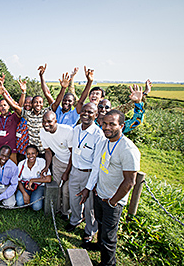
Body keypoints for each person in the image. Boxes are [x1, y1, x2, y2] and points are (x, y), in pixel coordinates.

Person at [79, 110, 140, 266]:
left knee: (109, 236)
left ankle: (108, 263)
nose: (107, 127)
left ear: (121, 125)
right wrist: (94, 188)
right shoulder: (106, 142)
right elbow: (100, 167)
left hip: (113, 200)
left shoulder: (128, 150)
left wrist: (112, 202)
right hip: (100, 194)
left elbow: (129, 182)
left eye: (112, 124)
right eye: (104, 123)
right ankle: (99, 246)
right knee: (100, 224)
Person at [64, 103, 105, 247]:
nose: (86, 114)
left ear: (96, 115)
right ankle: (75, 220)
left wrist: (89, 186)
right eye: (84, 111)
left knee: (90, 205)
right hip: (75, 171)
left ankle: (90, 230)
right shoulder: (75, 130)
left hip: (89, 174)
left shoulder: (98, 135)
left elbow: (96, 165)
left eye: (90, 112)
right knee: (74, 199)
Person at [40, 111, 73, 219]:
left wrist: (67, 172)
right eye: (43, 121)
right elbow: (48, 151)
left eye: (49, 121)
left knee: (66, 191)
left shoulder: (67, 131)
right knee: (57, 188)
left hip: (71, 163)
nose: (46, 124)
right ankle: (57, 209)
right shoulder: (42, 132)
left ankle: (66, 212)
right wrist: (46, 166)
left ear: (56, 121)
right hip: (58, 161)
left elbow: (73, 153)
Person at [16, 145, 52, 211]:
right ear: (26, 154)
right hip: (25, 185)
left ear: (37, 154)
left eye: (33, 153)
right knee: (19, 203)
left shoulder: (41, 162)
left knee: (36, 207)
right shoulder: (22, 164)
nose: (31, 156)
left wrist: (32, 180)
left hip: (39, 186)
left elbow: (49, 179)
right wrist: (24, 193)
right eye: (28, 154)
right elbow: (18, 181)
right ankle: (28, 196)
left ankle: (34, 198)